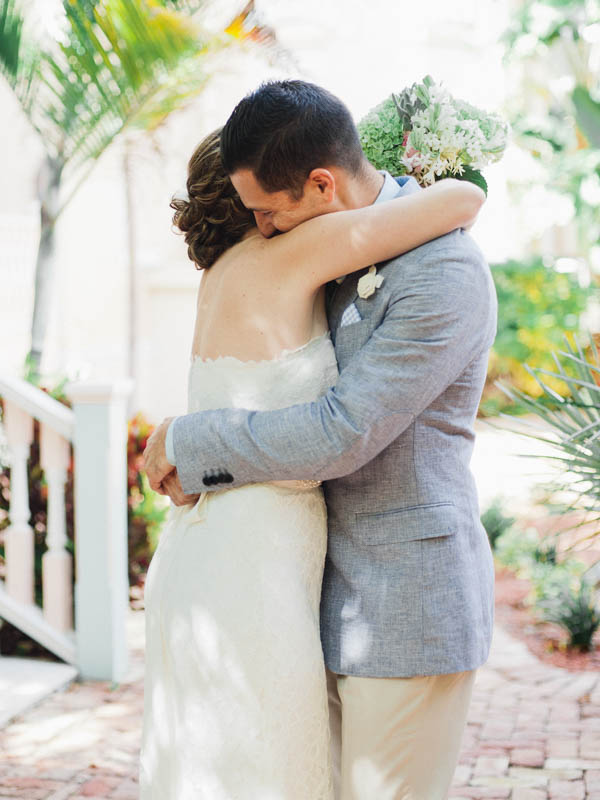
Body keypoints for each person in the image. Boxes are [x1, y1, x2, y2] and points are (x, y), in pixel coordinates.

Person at [143, 80, 495, 800]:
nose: (265, 228)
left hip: (404, 605)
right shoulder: (320, 251)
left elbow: (343, 431)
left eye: (269, 210)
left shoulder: (443, 272)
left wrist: (192, 440)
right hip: (310, 599)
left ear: (321, 183)